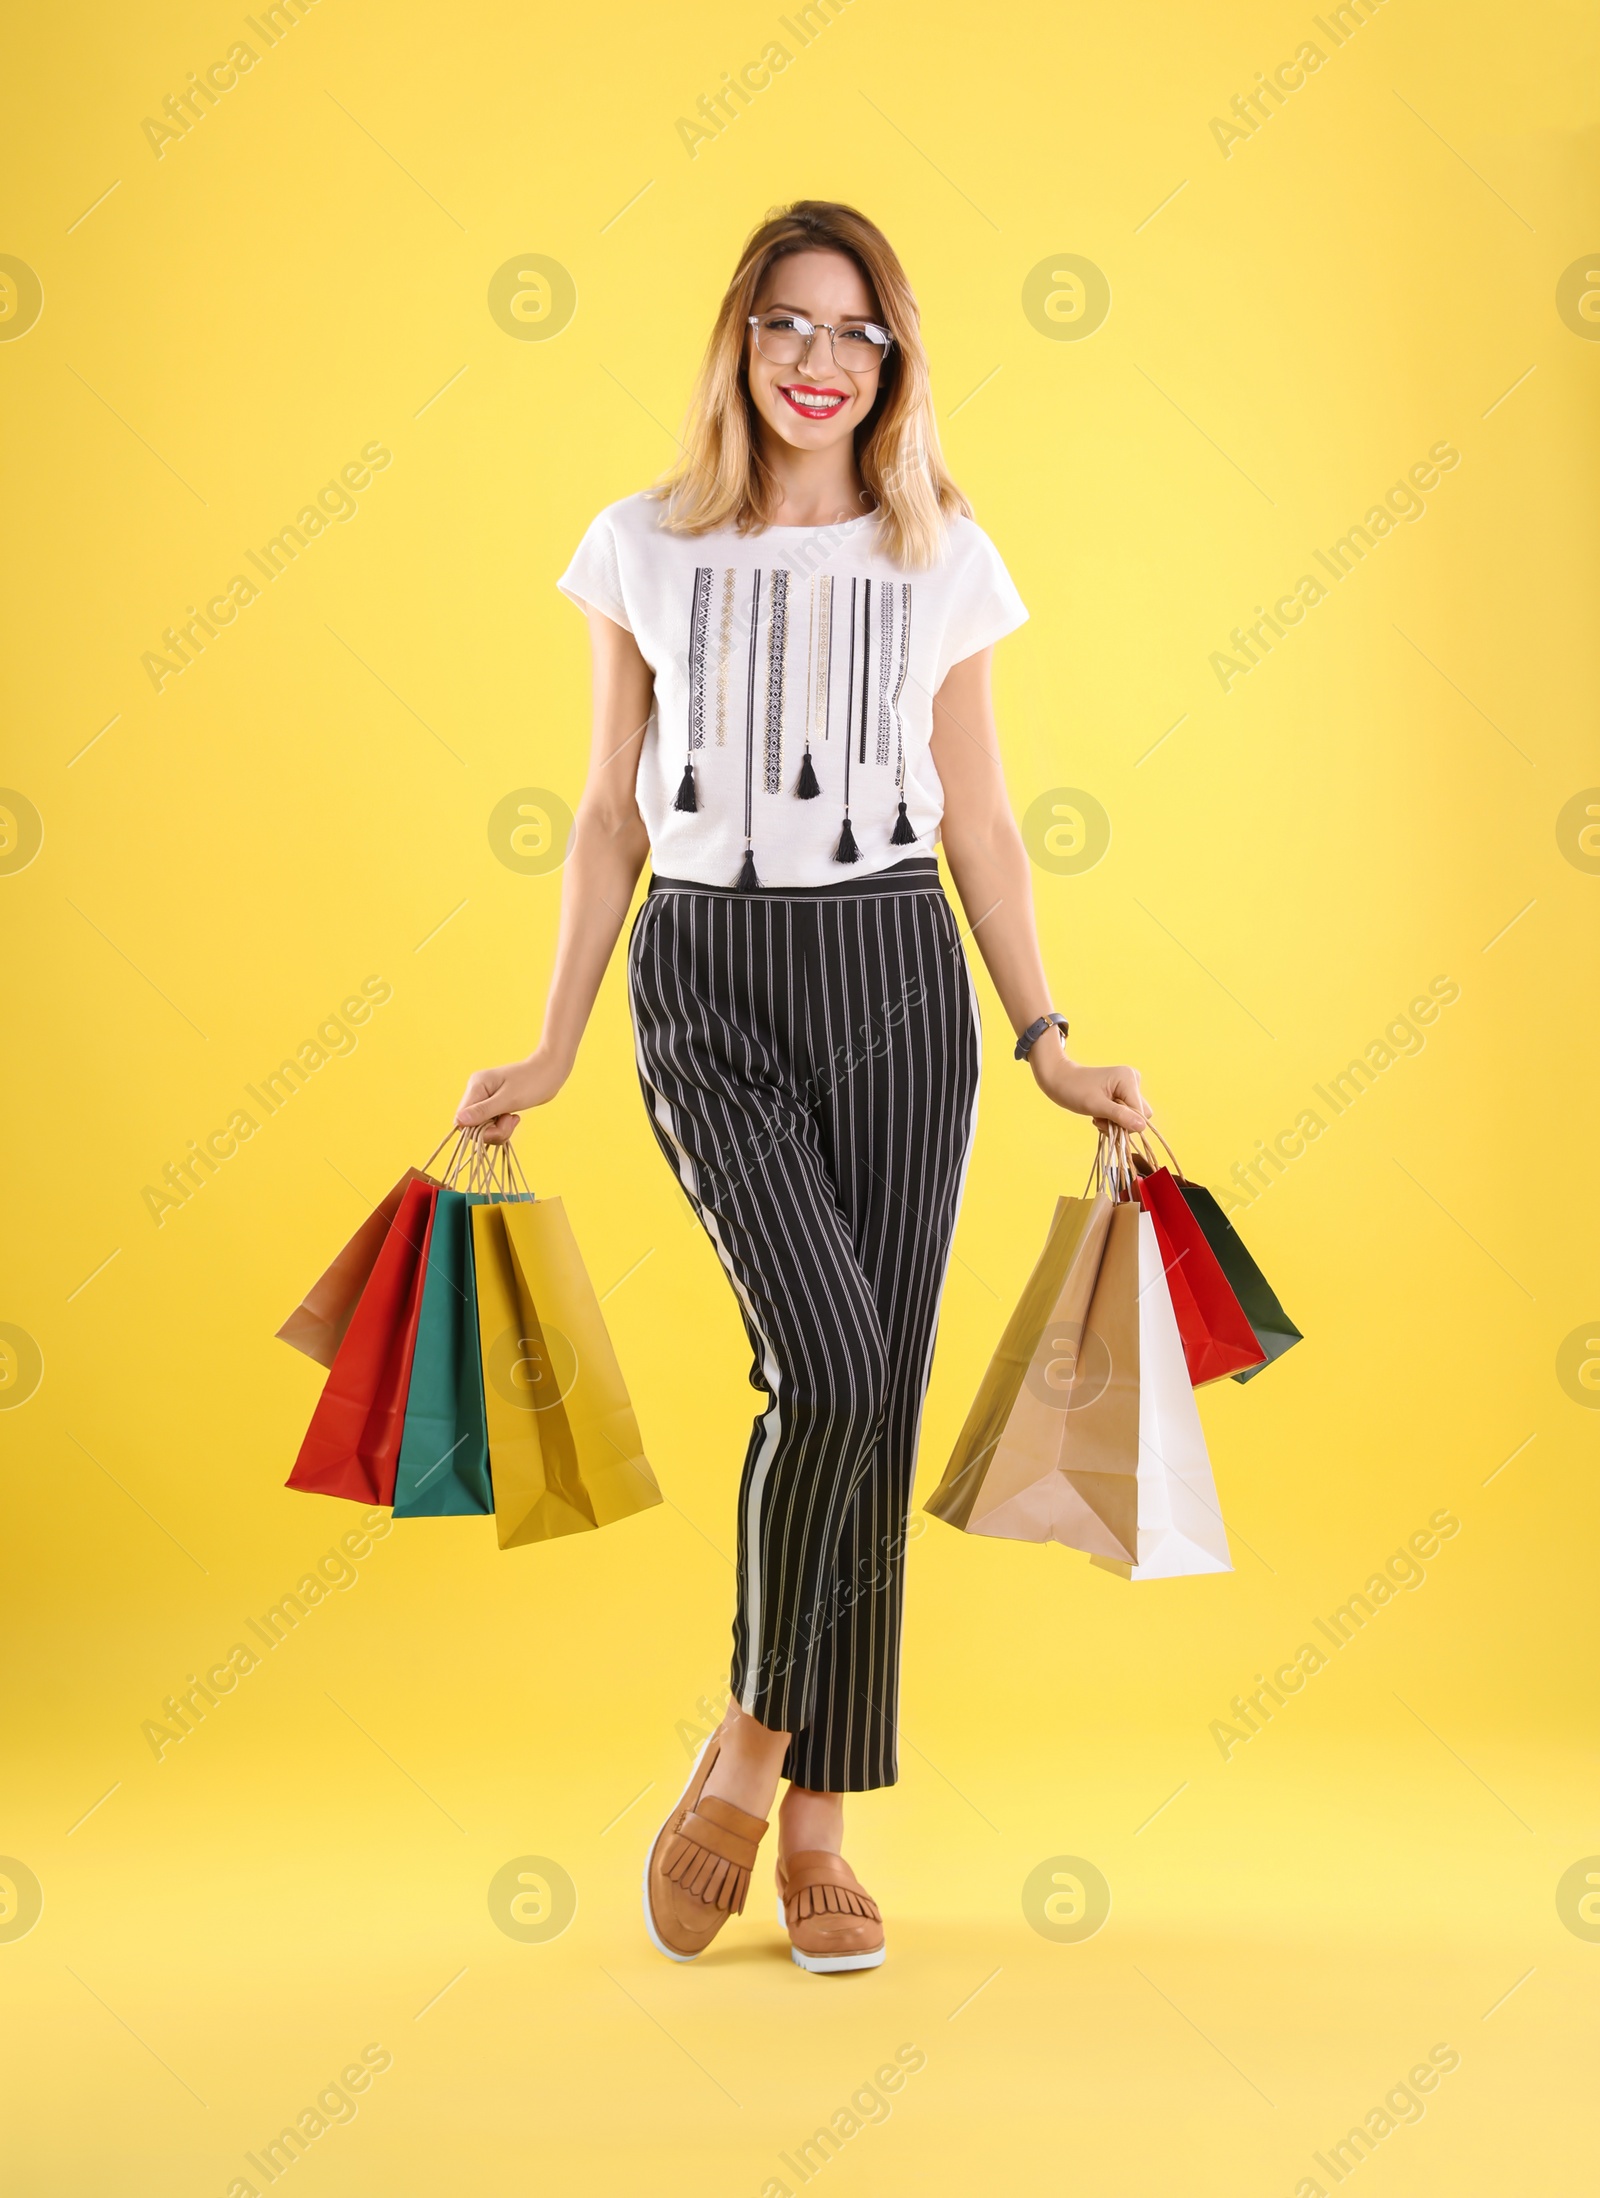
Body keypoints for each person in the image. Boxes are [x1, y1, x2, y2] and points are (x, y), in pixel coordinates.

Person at [457, 200, 1151, 1975]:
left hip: (901, 982)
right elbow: (607, 811)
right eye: (786, 325)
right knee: (826, 1360)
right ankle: (768, 1750)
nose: (818, 361)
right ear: (738, 344)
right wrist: (549, 1035)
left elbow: (979, 814)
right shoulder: (642, 546)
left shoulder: (944, 556)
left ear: (895, 361)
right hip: (708, 975)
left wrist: (1046, 1032)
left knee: (877, 1384)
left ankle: (803, 1799)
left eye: (854, 332)